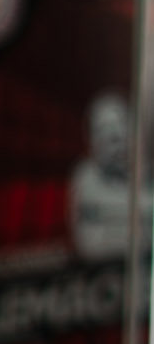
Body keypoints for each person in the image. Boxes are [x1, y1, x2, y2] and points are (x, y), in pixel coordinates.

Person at [70, 93, 130, 261]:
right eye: (106, 129)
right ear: (92, 138)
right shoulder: (85, 177)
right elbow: (89, 243)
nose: (118, 139)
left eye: (123, 126)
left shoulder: (137, 177)